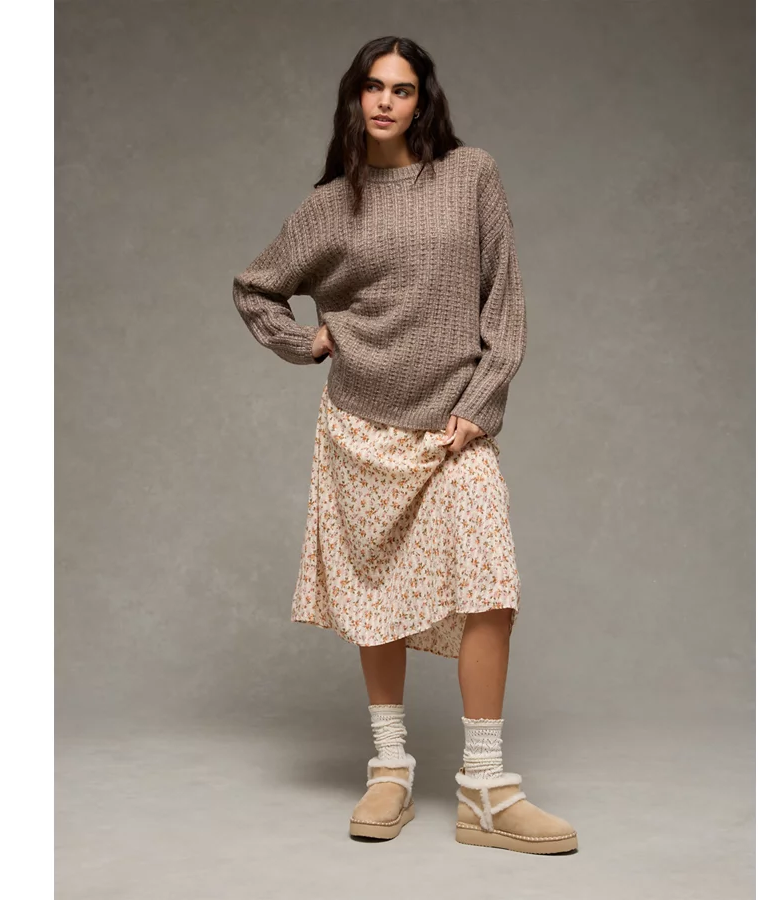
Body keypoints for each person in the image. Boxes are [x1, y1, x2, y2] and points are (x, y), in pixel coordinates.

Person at [232, 35, 578, 855]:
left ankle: (486, 788)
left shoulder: (470, 175)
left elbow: (505, 301)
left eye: (403, 89)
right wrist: (307, 342)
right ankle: (389, 769)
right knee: (374, 597)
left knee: (490, 589)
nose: (386, 101)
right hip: (361, 430)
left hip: (454, 432)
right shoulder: (330, 205)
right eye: (373, 87)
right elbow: (256, 288)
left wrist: (482, 404)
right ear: (355, 98)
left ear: (424, 101)